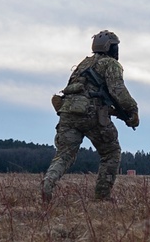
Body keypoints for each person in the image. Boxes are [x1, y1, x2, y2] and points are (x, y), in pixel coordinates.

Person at [43, 30, 139, 203]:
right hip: (92, 114)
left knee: (64, 155)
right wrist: (132, 110)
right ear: (110, 47)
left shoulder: (83, 64)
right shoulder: (111, 64)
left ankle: (48, 182)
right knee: (111, 152)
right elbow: (119, 91)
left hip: (68, 113)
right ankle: (102, 197)